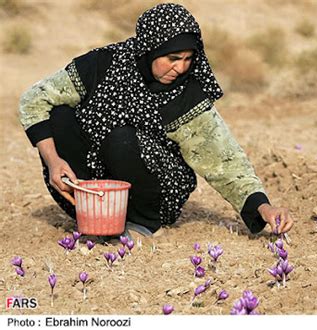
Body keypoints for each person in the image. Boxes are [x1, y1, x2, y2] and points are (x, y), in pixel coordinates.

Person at [18, 3, 294, 238]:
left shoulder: (187, 93)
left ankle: (141, 224)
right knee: (60, 115)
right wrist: (54, 162)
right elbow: (34, 99)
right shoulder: (103, 64)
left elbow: (224, 160)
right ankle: (95, 217)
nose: (181, 67)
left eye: (188, 58)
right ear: (149, 49)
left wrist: (263, 206)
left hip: (154, 192)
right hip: (91, 188)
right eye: (173, 58)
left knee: (121, 137)